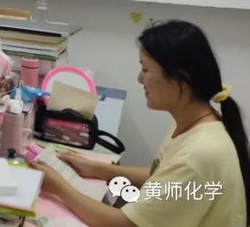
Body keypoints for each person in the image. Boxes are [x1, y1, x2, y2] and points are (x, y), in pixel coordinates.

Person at [34, 20, 248, 227]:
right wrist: (98, 169)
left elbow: (124, 224)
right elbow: (163, 175)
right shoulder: (195, 122)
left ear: (180, 80)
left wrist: (59, 187)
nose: (139, 78)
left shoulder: (197, 155)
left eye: (145, 70)